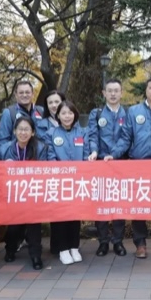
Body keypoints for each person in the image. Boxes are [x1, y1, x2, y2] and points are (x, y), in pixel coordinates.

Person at [105, 76, 151, 259]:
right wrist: (114, 153)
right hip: (137, 165)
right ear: (146, 90)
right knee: (139, 206)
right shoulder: (134, 112)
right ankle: (140, 244)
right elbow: (126, 137)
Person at [0, 117, 48, 270]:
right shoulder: (5, 148)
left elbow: (45, 171)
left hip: (34, 192)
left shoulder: (41, 148)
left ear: (33, 132)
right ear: (14, 131)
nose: (23, 132)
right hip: (13, 194)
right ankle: (10, 249)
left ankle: (35, 255)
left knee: (34, 222)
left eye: (27, 129)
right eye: (20, 129)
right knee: (14, 224)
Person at [87, 79, 128, 257]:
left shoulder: (128, 114)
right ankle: (103, 242)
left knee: (119, 204)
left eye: (116, 91)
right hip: (101, 164)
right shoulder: (96, 114)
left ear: (121, 93)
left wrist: (116, 154)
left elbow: (127, 138)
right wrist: (95, 151)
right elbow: (92, 135)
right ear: (104, 93)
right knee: (101, 204)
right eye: (109, 91)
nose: (112, 94)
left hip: (120, 164)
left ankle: (118, 241)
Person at [48, 100, 89, 265]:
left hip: (78, 182)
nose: (67, 116)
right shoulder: (51, 133)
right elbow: (50, 157)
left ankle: (74, 246)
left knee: (74, 215)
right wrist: (61, 173)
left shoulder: (82, 132)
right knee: (60, 215)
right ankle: (63, 249)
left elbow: (86, 154)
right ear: (58, 115)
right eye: (63, 113)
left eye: (70, 113)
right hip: (59, 182)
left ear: (75, 115)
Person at [0, 79, 44, 149]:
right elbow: (3, 141)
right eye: (21, 93)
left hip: (38, 156)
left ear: (32, 94)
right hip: (17, 157)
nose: (24, 95)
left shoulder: (41, 111)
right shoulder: (9, 113)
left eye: (27, 92)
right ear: (16, 95)